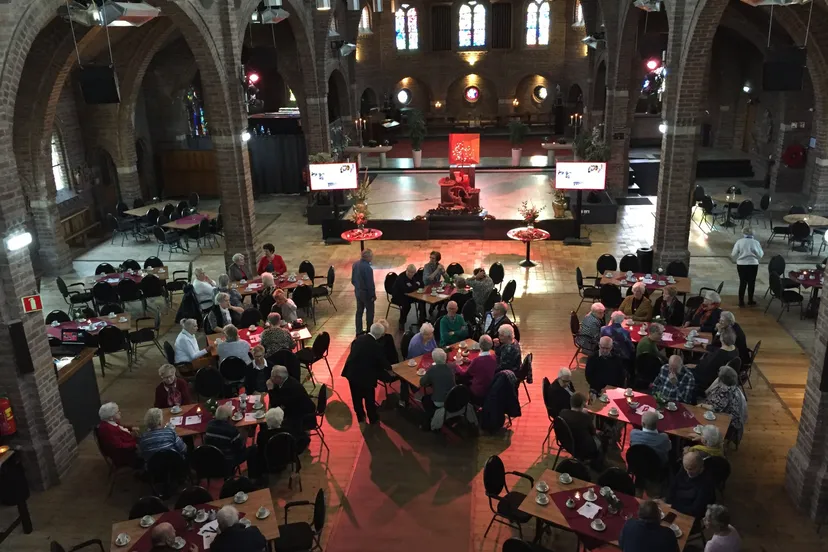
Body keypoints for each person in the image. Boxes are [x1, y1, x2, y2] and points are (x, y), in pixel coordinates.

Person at [342, 323, 393, 424]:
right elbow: (383, 362)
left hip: (352, 373)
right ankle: (372, 418)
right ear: (380, 335)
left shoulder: (358, 339)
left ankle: (360, 416)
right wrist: (390, 368)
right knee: (369, 398)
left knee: (356, 397)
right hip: (366, 377)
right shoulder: (376, 346)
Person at [254, 407, 309, 474]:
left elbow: (260, 450)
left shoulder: (262, 435)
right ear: (281, 420)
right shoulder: (288, 432)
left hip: (269, 462)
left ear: (267, 421)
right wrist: (294, 453)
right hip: (286, 459)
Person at [701, 366, 747, 442]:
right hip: (731, 418)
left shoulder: (725, 391)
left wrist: (702, 405)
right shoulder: (733, 387)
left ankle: (705, 440)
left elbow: (716, 408)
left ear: (722, 378)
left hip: (728, 423)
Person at [266, 365, 316, 433]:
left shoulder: (288, 388)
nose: (270, 378)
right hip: (298, 408)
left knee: (274, 421)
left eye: (272, 376)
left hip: (303, 416)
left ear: (279, 378)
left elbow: (275, 404)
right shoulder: (287, 380)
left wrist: (270, 389)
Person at [666, 451, 716, 519]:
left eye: (691, 469)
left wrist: (673, 505)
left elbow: (695, 511)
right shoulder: (686, 467)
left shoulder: (707, 483)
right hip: (676, 507)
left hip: (689, 515)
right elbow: (673, 487)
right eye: (685, 468)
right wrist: (668, 502)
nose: (688, 472)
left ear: (701, 466)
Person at [692, 327, 739, 397]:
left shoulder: (718, 355)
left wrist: (694, 366)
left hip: (705, 382)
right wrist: (702, 344)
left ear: (721, 339)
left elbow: (704, 370)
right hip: (720, 378)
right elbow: (716, 349)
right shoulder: (734, 349)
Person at [559, 393, 603, 463]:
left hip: (567, 444)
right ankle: (597, 462)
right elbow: (593, 432)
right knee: (602, 437)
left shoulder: (562, 412)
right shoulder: (585, 418)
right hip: (583, 448)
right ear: (583, 404)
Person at [419, 348, 456, 427]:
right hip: (453, 397)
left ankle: (432, 417)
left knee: (425, 399)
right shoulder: (452, 366)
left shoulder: (432, 370)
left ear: (434, 359)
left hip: (440, 401)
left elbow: (422, 383)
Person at [456, 335, 497, 405]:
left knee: (461, 381)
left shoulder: (477, 361)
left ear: (480, 345)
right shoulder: (495, 357)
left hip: (478, 393)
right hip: (490, 390)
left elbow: (464, 374)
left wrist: (456, 365)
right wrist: (470, 361)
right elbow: (484, 365)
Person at [96, 402, 138, 467]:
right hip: (125, 454)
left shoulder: (110, 422)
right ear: (111, 417)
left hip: (129, 443)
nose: (120, 413)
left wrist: (130, 428)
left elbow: (119, 427)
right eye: (117, 412)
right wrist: (135, 445)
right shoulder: (108, 430)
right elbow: (119, 446)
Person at [731, 226, 763, 307]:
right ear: (753, 233)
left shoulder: (739, 242)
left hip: (741, 264)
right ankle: (750, 300)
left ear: (743, 233)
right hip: (753, 264)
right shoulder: (756, 242)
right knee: (751, 283)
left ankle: (741, 301)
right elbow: (760, 254)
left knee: (742, 283)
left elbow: (733, 254)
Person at [351, 248, 376, 334]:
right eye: (371, 256)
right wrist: (372, 295)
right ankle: (369, 331)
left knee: (359, 312)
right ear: (368, 257)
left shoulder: (355, 264)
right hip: (366, 294)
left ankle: (358, 331)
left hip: (358, 292)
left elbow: (353, 280)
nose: (372, 258)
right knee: (370, 312)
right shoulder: (368, 268)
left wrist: (358, 288)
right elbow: (370, 284)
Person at [392, 264, 421, 330]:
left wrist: (413, 286)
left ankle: (422, 318)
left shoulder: (415, 275)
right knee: (406, 305)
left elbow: (421, 283)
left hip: (409, 295)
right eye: (409, 272)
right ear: (406, 270)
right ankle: (402, 321)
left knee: (421, 300)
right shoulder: (401, 278)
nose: (411, 274)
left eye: (413, 273)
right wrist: (416, 285)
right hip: (398, 296)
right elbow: (406, 289)